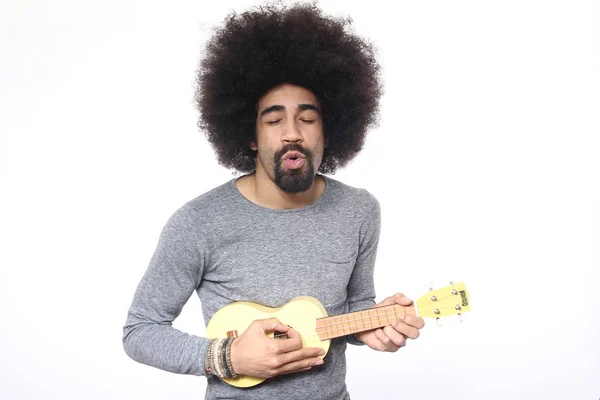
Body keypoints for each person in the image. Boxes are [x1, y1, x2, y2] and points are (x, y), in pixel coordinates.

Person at [122, 2, 425, 399]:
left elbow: (354, 307)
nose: (292, 133)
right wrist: (227, 357)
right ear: (250, 135)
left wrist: (369, 328)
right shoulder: (199, 222)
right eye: (273, 119)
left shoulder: (360, 211)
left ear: (329, 130)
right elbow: (140, 330)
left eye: (308, 118)